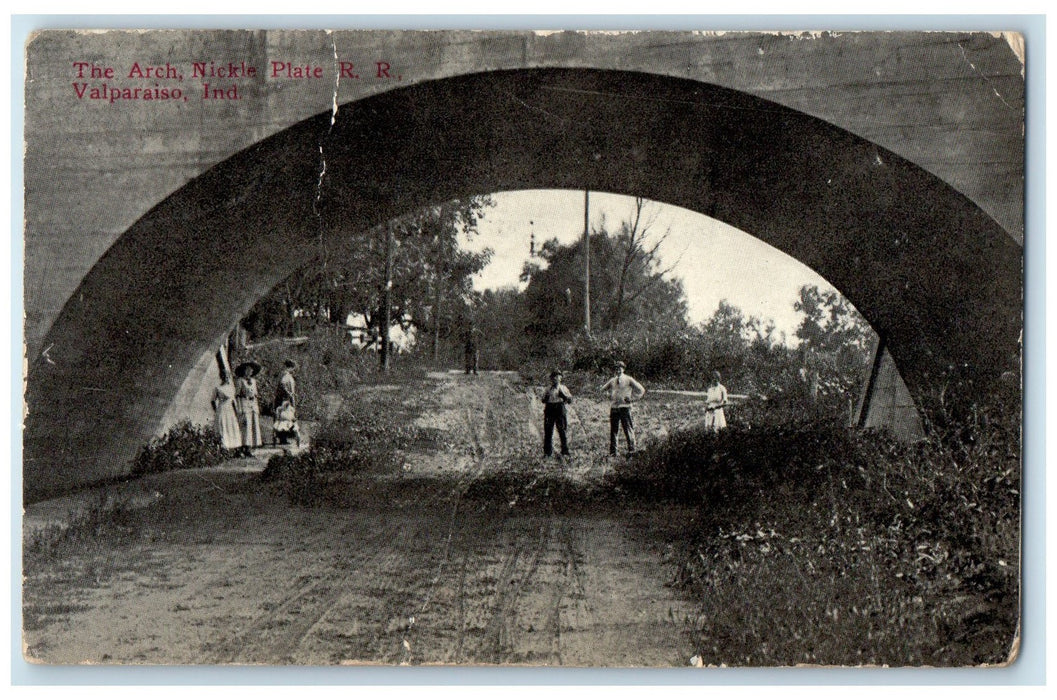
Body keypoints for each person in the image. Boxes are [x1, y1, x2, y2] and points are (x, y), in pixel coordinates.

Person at [600, 360, 645, 455]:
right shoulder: (612, 381)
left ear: (623, 369)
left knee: (628, 428)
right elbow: (602, 390)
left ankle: (632, 449)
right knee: (614, 430)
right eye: (616, 368)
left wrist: (632, 399)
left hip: (625, 407)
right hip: (614, 408)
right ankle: (613, 452)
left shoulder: (628, 379)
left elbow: (641, 390)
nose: (618, 370)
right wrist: (609, 395)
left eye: (620, 368)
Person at [541, 369, 573, 459]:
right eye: (553, 377)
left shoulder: (563, 388)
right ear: (551, 379)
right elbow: (542, 400)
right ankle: (547, 452)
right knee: (548, 431)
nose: (555, 379)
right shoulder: (548, 389)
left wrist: (564, 396)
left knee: (562, 430)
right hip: (550, 409)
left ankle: (565, 451)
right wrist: (546, 398)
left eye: (557, 377)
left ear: (560, 378)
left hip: (560, 408)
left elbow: (570, 400)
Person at [234, 361, 262, 455]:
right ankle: (243, 447)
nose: (250, 371)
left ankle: (250, 448)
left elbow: (256, 394)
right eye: (248, 370)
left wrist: (256, 405)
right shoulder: (240, 381)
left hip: (253, 404)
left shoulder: (253, 381)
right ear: (244, 370)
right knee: (246, 425)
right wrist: (239, 407)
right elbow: (237, 395)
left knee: (253, 425)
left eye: (251, 370)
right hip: (244, 403)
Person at [211, 367, 242, 451]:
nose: (226, 378)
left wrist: (236, 411)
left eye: (227, 376)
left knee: (230, 425)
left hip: (229, 409)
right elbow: (213, 401)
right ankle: (222, 447)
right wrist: (216, 410)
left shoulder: (231, 388)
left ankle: (233, 446)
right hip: (222, 409)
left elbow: (233, 401)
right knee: (222, 426)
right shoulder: (217, 388)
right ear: (221, 377)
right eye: (224, 376)